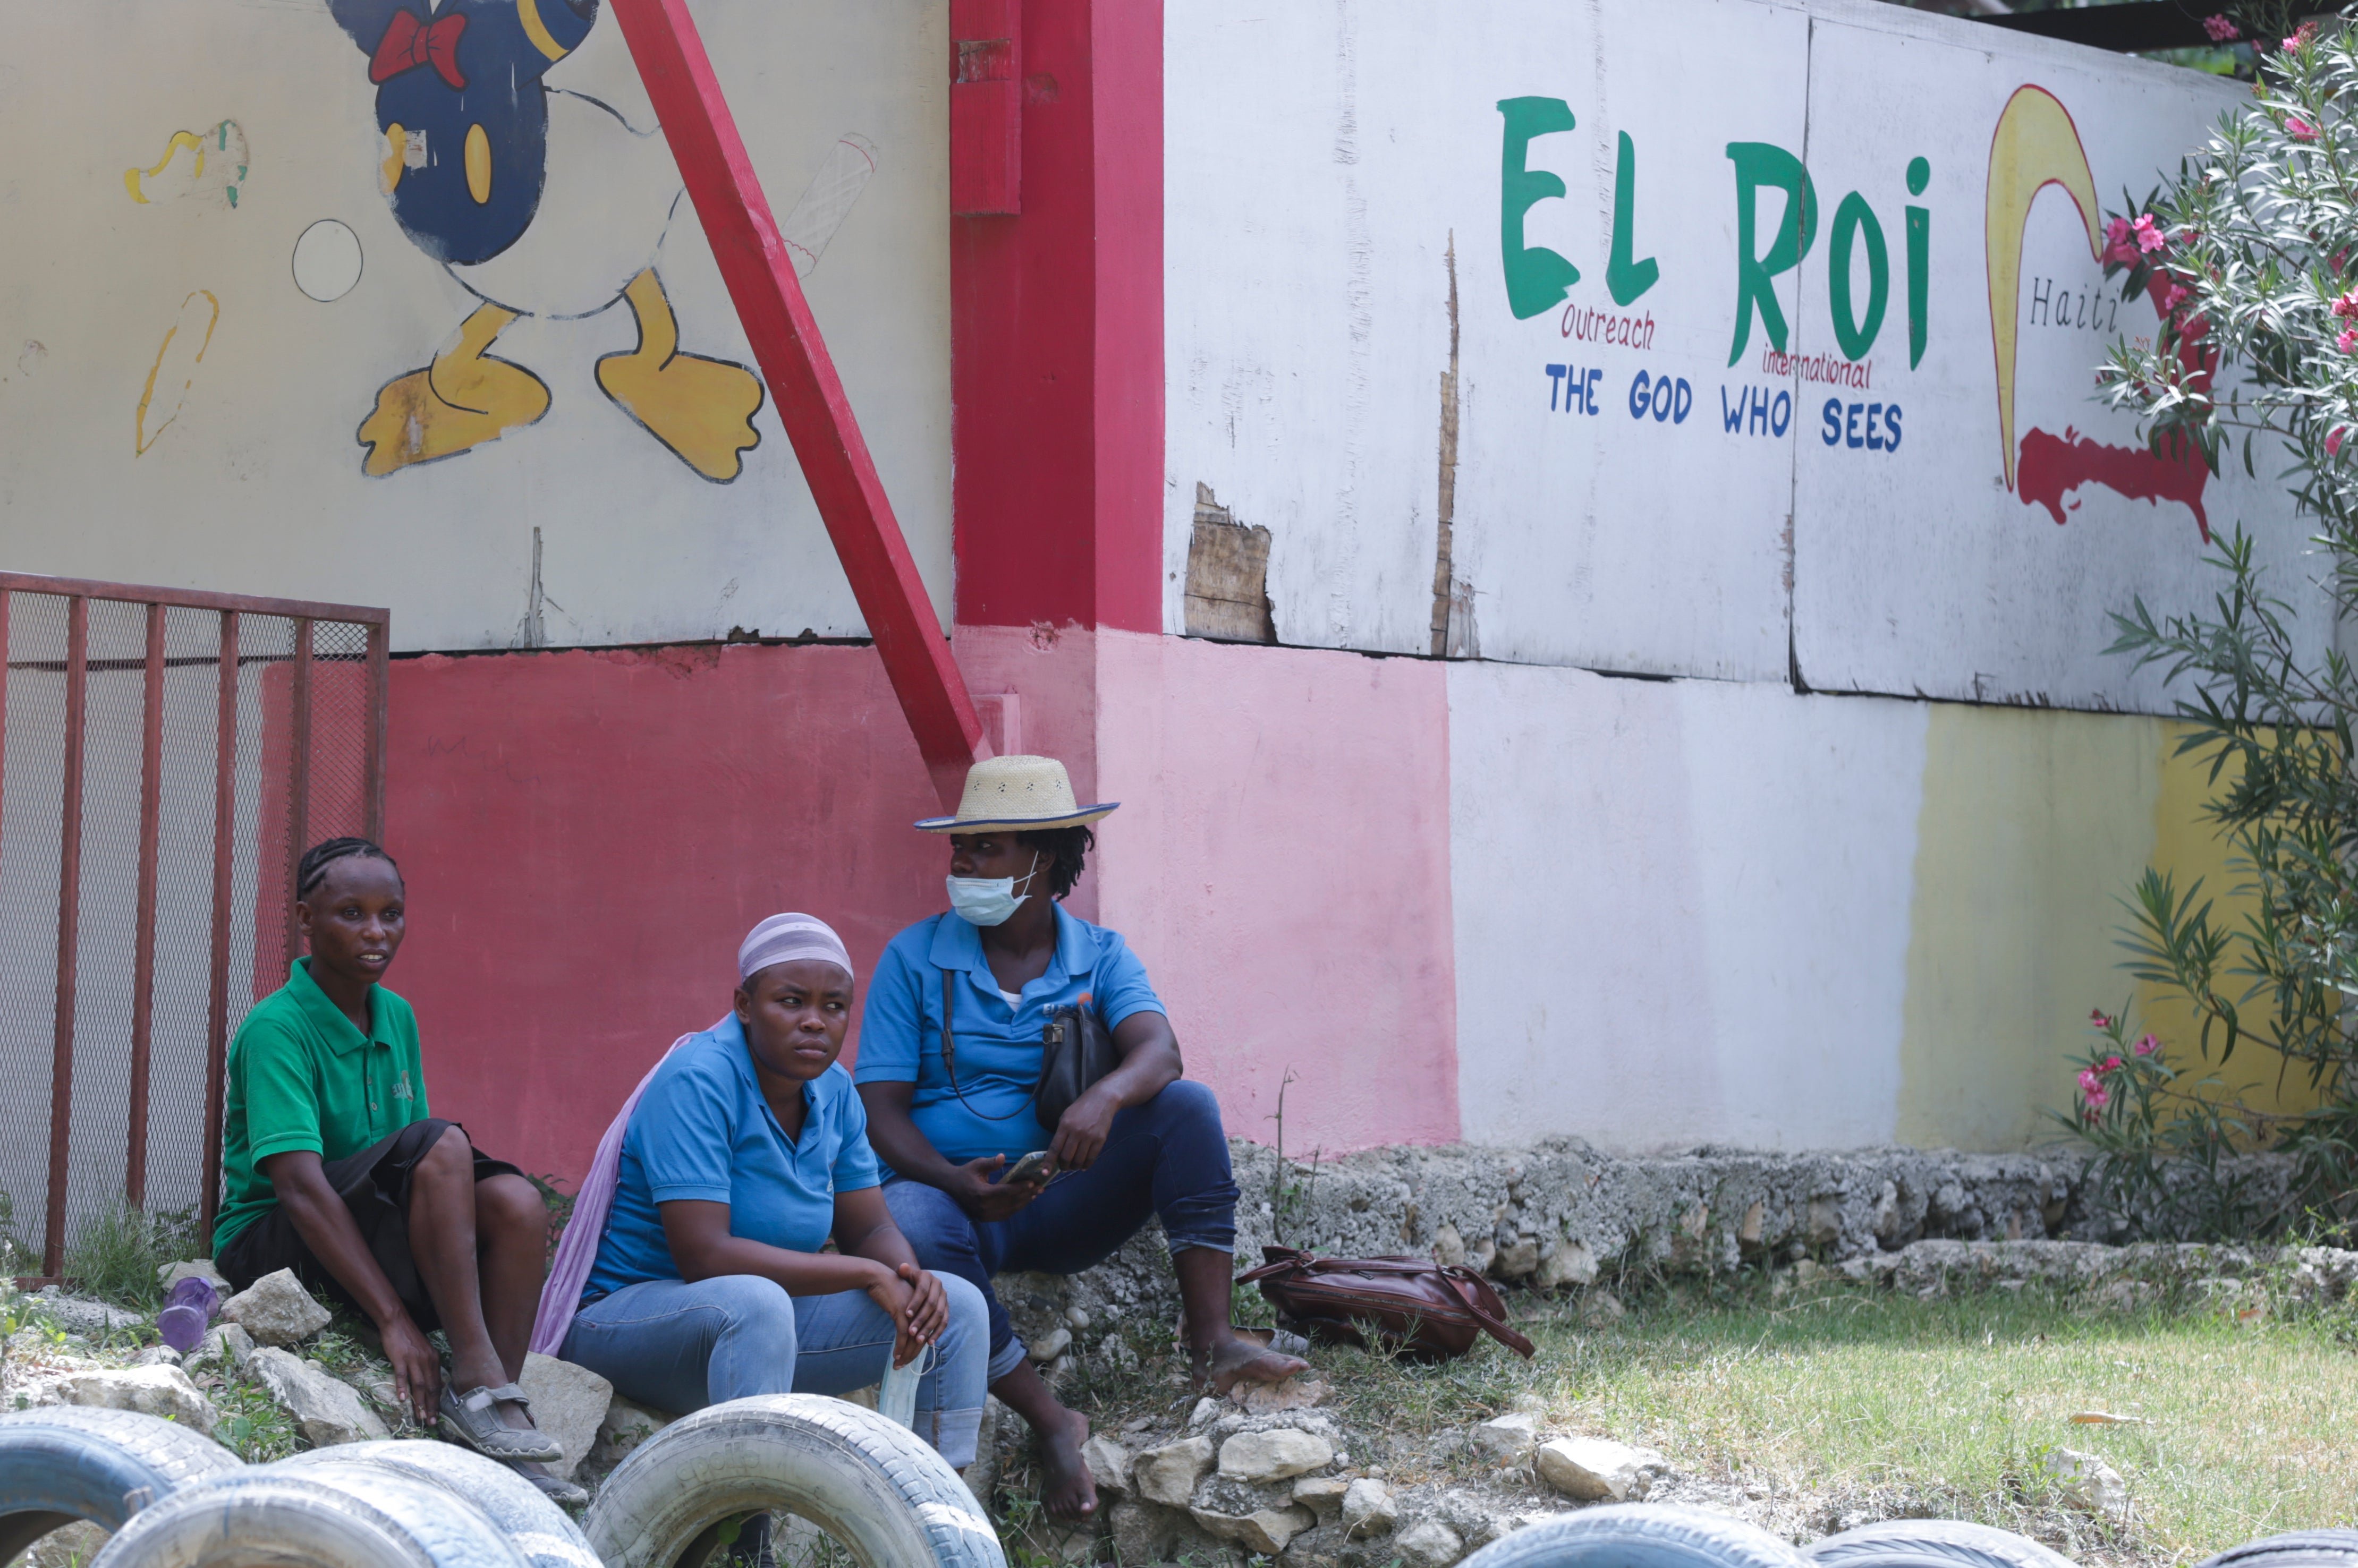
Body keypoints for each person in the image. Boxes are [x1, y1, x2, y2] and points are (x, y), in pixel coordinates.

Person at [855, 756, 1308, 1523]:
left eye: (985, 849)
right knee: (917, 1224)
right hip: (953, 1201)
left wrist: (1103, 1097)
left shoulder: (1098, 954)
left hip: (1065, 1194)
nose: (961, 864)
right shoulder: (912, 957)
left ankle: (1213, 1340)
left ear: (1044, 857)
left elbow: (1160, 1052)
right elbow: (879, 1109)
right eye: (959, 848)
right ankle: (1051, 1419)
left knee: (1186, 1109)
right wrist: (954, 1179)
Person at [553, 913, 989, 1510]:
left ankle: (935, 1519)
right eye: (791, 1001)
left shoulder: (835, 1091)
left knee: (956, 1306)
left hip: (760, 1334)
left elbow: (868, 1225)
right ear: (744, 1005)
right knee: (755, 1302)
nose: (814, 1020)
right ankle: (747, 1534)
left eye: (833, 1006)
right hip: (634, 1322)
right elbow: (706, 1255)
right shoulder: (699, 1080)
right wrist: (865, 1273)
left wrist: (910, 1278)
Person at [214, 837, 574, 1501]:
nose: (376, 932)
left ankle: (492, 1406)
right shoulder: (277, 1028)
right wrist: (394, 1321)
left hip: (362, 1224)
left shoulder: (396, 1015)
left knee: (518, 1204)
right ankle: (474, 1368)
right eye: (351, 913)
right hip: (273, 1241)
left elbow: (420, 1176)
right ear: (305, 920)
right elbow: (296, 1185)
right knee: (442, 1144)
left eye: (391, 913)